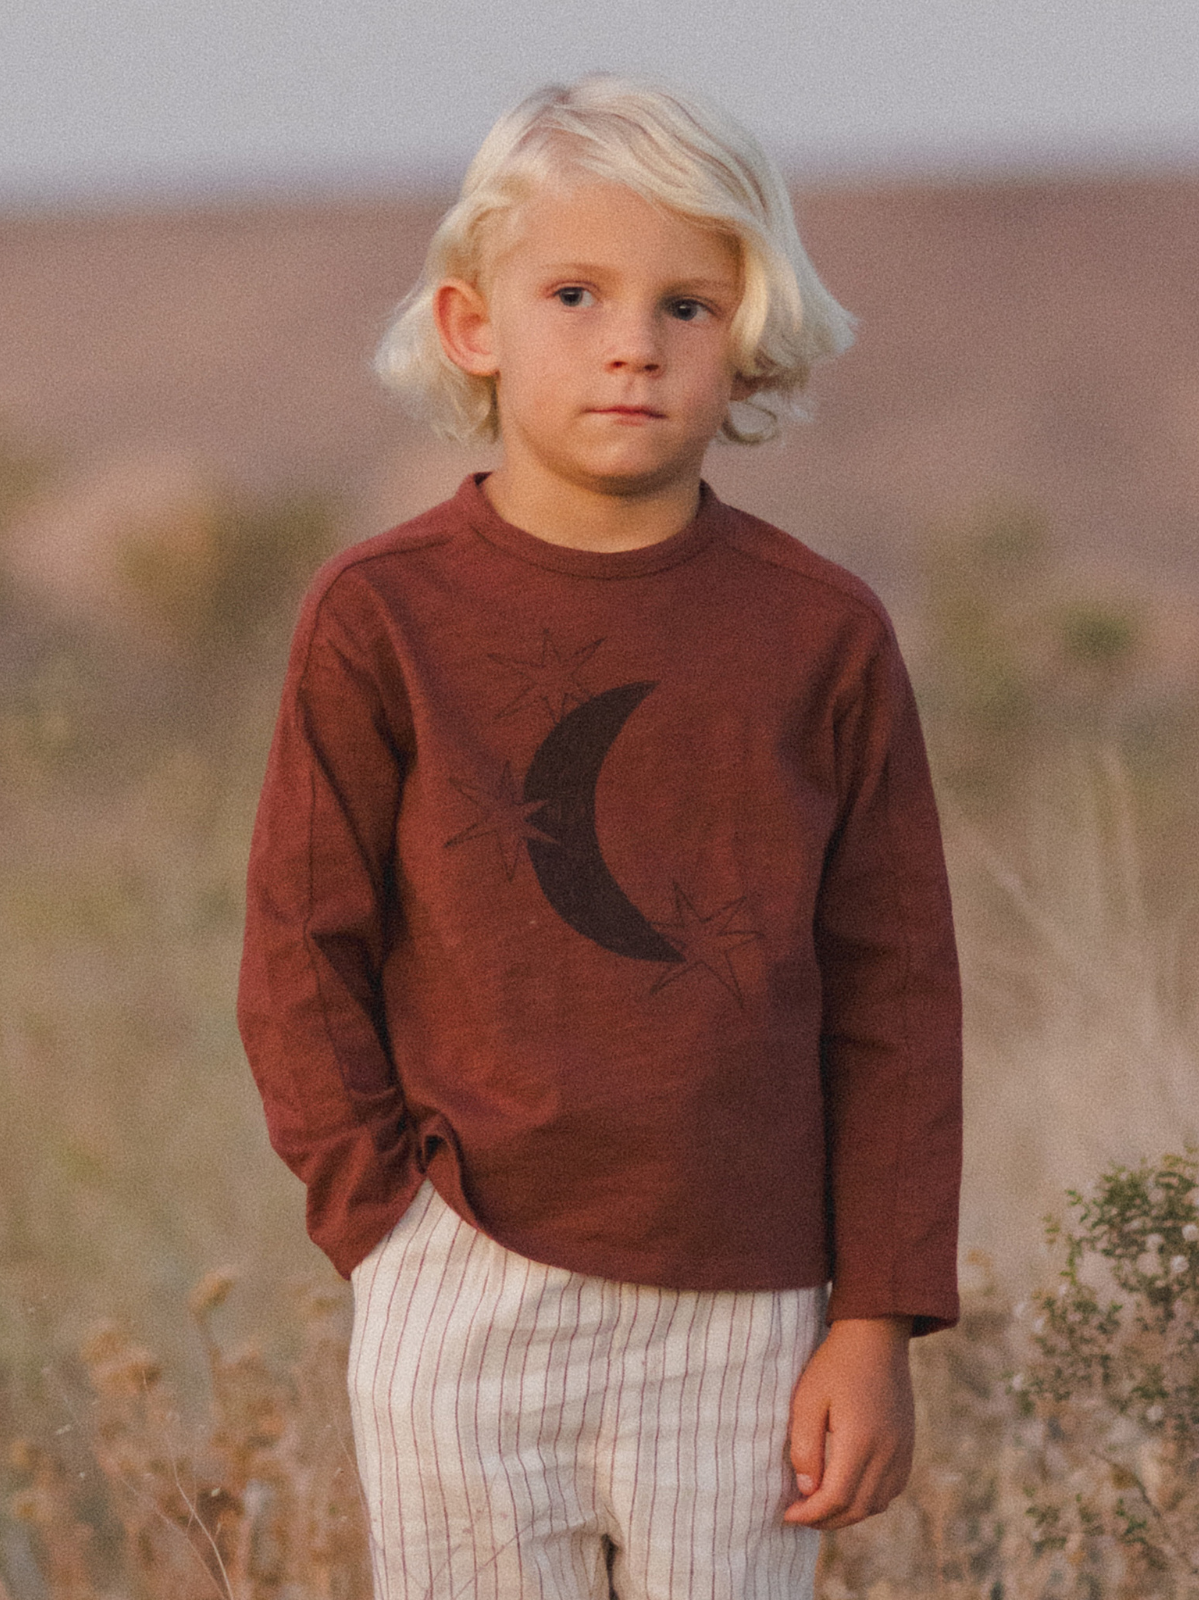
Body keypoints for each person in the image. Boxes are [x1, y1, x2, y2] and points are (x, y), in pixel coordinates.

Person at [238, 73, 962, 1600]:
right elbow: (303, 945)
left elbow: (895, 993)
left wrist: (874, 1317)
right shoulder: (384, 616)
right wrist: (384, 1225)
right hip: (466, 1277)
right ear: (472, 325)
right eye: (575, 291)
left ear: (748, 333)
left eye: (688, 305)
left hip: (752, 1309)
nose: (633, 340)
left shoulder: (817, 633)